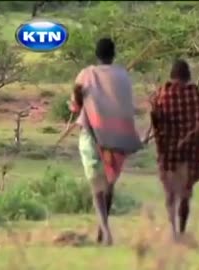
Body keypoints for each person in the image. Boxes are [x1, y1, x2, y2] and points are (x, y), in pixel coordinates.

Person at [68, 37, 142, 246]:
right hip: (119, 137)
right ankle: (103, 230)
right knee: (108, 185)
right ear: (114, 54)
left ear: (97, 55)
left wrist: (76, 96)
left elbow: (76, 106)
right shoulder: (124, 76)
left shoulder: (86, 74)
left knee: (96, 186)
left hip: (92, 133)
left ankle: (105, 231)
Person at [149, 59, 199, 240]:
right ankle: (181, 232)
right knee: (185, 194)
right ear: (188, 77)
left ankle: (173, 230)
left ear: (172, 76)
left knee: (170, 194)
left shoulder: (162, 94)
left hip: (168, 154)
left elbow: (156, 120)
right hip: (189, 155)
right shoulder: (195, 95)